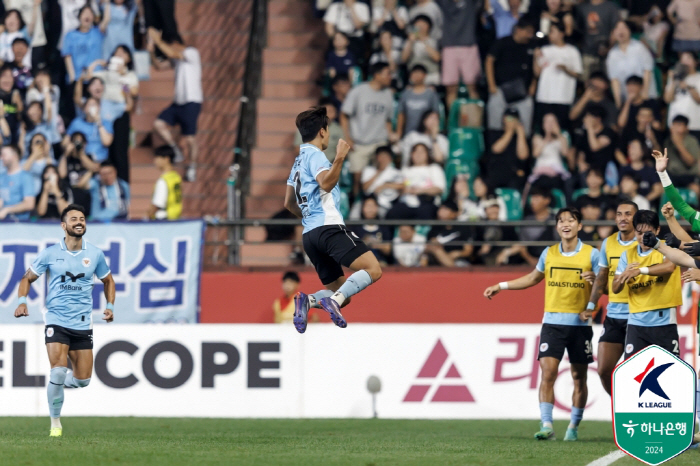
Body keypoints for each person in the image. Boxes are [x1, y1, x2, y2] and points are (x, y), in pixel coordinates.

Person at [484, 207, 599, 441]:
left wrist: (595, 282)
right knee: (548, 372)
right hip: (552, 324)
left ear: (580, 226)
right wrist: (501, 285)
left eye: (571, 220)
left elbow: (605, 286)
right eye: (561, 221)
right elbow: (532, 278)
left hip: (579, 326)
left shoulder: (592, 255)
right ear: (557, 226)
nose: (565, 224)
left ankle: (573, 426)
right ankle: (546, 424)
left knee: (579, 377)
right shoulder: (549, 253)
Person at [14, 203, 115, 437]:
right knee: (58, 371)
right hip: (56, 319)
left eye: (82, 218)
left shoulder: (95, 254)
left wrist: (110, 306)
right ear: (64, 225)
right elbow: (26, 278)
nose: (79, 222)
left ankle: (55, 385)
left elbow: (108, 280)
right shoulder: (50, 253)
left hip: (82, 323)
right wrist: (22, 301)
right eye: (73, 219)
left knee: (82, 381)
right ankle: (55, 423)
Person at [284, 106, 382, 334]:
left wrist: (308, 216)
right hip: (328, 228)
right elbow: (325, 183)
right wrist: (339, 158)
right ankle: (334, 302)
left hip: (310, 237)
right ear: (322, 131)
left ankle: (307, 301)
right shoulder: (316, 155)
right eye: (328, 130)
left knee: (342, 293)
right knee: (373, 269)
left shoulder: (296, 163)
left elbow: (288, 204)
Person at [612, 210, 682, 359]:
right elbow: (615, 288)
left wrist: (640, 271)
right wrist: (623, 275)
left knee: (669, 374)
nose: (643, 238)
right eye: (639, 233)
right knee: (633, 374)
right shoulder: (627, 255)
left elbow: (669, 267)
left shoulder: (667, 247)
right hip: (636, 323)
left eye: (648, 233)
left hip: (663, 322)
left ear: (657, 230)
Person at [586, 200, 638, 396]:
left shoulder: (643, 243)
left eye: (628, 214)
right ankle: (623, 406)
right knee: (604, 370)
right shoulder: (608, 242)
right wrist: (591, 305)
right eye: (619, 214)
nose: (622, 218)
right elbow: (602, 279)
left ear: (637, 217)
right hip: (614, 314)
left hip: (638, 315)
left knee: (636, 372)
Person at [149, 27, 202, 182]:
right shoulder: (177, 60)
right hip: (178, 103)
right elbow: (159, 66)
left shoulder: (191, 53)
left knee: (190, 138)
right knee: (158, 124)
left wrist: (158, 41)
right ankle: (175, 149)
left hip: (192, 101)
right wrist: (152, 51)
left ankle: (191, 166)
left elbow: (172, 53)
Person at [340, 62, 395, 188]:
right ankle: (358, 205)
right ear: (377, 75)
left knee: (382, 176)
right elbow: (344, 115)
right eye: (387, 74)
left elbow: (388, 120)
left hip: (379, 142)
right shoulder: (358, 91)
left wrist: (390, 135)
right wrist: (347, 138)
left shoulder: (388, 94)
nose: (390, 77)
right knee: (358, 181)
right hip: (359, 143)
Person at [486, 17, 536, 136]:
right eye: (528, 32)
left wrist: (533, 84)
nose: (529, 35)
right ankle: (494, 144)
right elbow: (489, 61)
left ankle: (524, 146)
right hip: (501, 89)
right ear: (518, 30)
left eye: (531, 33)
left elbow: (535, 68)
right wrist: (491, 85)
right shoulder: (503, 42)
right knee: (495, 121)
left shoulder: (531, 46)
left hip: (522, 93)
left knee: (527, 117)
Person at [533, 22, 582, 130]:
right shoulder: (545, 50)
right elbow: (537, 73)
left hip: (563, 97)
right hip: (545, 96)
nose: (550, 35)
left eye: (552, 32)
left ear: (561, 34)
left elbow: (578, 73)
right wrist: (536, 58)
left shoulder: (572, 51)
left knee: (561, 128)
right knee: (544, 128)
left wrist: (565, 69)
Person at [386, 142, 445, 220]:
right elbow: (399, 187)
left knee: (428, 212)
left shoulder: (434, 168)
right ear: (411, 154)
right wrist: (405, 189)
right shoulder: (405, 170)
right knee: (391, 213)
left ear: (427, 154)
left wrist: (421, 191)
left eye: (421, 152)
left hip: (426, 203)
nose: (418, 154)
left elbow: (440, 188)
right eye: (415, 151)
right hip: (406, 203)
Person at [437, 0, 480, 105]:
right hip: (449, 47)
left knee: (472, 87)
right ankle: (452, 119)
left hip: (468, 46)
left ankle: (474, 119)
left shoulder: (470, 3)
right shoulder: (445, 3)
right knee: (451, 89)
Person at [606, 20, 658, 107]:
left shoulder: (639, 47)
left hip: (645, 96)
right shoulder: (612, 54)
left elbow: (647, 70)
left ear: (630, 31)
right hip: (627, 99)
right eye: (617, 28)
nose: (621, 31)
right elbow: (614, 80)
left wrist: (644, 94)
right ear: (613, 33)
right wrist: (618, 102)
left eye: (624, 28)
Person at [575, 0, 620, 81]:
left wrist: (609, 48)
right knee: (587, 81)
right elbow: (578, 30)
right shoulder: (582, 7)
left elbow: (616, 30)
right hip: (587, 52)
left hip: (608, 53)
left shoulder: (611, 7)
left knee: (607, 81)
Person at [486, 108, 530, 190]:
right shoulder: (495, 133)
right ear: (503, 119)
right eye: (509, 118)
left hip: (514, 175)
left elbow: (523, 156)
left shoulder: (522, 138)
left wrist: (520, 134)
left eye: (514, 119)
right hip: (497, 172)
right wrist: (509, 132)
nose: (512, 121)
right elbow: (496, 149)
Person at [421, 199, 474, 266]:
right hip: (437, 260)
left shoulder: (463, 228)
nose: (441, 212)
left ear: (454, 214)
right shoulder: (435, 229)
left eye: (445, 209)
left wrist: (458, 253)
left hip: (459, 261)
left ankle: (454, 271)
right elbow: (427, 248)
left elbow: (468, 251)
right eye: (440, 209)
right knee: (434, 249)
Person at [58, 131, 99, 213]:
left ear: (85, 144)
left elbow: (95, 168)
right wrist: (66, 154)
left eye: (81, 142)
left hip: (86, 192)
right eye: (75, 141)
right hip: (71, 192)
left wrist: (80, 153)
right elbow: (62, 174)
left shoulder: (89, 156)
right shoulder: (67, 159)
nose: (77, 144)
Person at [396, 65, 440, 139]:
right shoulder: (405, 94)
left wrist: (433, 133)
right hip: (408, 134)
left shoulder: (431, 94)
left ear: (425, 75)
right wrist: (399, 133)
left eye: (418, 73)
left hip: (426, 135)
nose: (416, 75)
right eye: (414, 73)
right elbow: (401, 114)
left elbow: (435, 114)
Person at [66, 97, 114, 163]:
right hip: (81, 160)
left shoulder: (106, 123)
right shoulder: (77, 122)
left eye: (94, 105)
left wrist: (98, 122)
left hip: (101, 161)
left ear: (99, 108)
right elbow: (65, 141)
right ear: (84, 109)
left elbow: (107, 142)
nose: (92, 107)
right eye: (90, 105)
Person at [360, 145, 403, 216]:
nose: (383, 159)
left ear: (390, 158)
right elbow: (365, 187)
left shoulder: (395, 172)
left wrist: (384, 186)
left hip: (391, 202)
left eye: (385, 156)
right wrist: (379, 171)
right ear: (376, 158)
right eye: (381, 156)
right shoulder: (368, 170)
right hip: (370, 201)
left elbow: (402, 186)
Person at [665, 51, 700, 139]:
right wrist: (673, 81)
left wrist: (688, 87)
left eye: (688, 58)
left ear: (696, 62)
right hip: (674, 125)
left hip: (694, 125)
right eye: (683, 59)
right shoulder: (674, 77)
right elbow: (667, 99)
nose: (685, 62)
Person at [619, 138, 663, 205]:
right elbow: (619, 189)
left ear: (642, 151)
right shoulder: (624, 169)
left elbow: (658, 190)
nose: (631, 150)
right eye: (630, 148)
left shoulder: (650, 170)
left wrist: (641, 202)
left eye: (634, 148)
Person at [350, 195, 393, 264]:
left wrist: (376, 244)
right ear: (362, 208)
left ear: (377, 208)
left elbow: (388, 250)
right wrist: (365, 242)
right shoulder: (355, 228)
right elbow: (352, 251)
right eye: (368, 206)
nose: (370, 209)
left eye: (373, 206)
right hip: (361, 264)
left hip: (381, 263)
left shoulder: (384, 227)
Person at [664, 114, 700, 196]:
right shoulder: (668, 141)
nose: (675, 128)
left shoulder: (691, 141)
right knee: (662, 189)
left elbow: (690, 162)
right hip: (672, 176)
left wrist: (678, 143)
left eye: (679, 125)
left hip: (688, 176)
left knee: (696, 190)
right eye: (674, 125)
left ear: (686, 128)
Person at [401, 15, 441, 87]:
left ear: (429, 27)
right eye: (418, 25)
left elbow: (437, 58)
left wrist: (423, 40)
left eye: (423, 24)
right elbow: (404, 59)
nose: (421, 27)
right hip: (414, 77)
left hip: (431, 76)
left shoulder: (433, 41)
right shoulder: (409, 41)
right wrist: (410, 42)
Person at [575, 105, 616, 176]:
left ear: (598, 119)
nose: (585, 120)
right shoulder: (585, 134)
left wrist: (590, 128)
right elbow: (582, 151)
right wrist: (581, 162)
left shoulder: (608, 132)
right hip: (588, 167)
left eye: (588, 117)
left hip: (603, 169)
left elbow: (595, 147)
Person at [0, 144, 35, 219]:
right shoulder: (1, 177)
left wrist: (7, 210)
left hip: (19, 224)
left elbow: (29, 204)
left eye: (4, 155)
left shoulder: (25, 177)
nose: (1, 158)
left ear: (14, 156)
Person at [147, 145, 182, 220]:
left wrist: (149, 216)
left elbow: (157, 204)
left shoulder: (163, 181)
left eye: (157, 157)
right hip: (175, 218)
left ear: (166, 159)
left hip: (163, 220)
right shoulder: (176, 177)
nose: (155, 161)